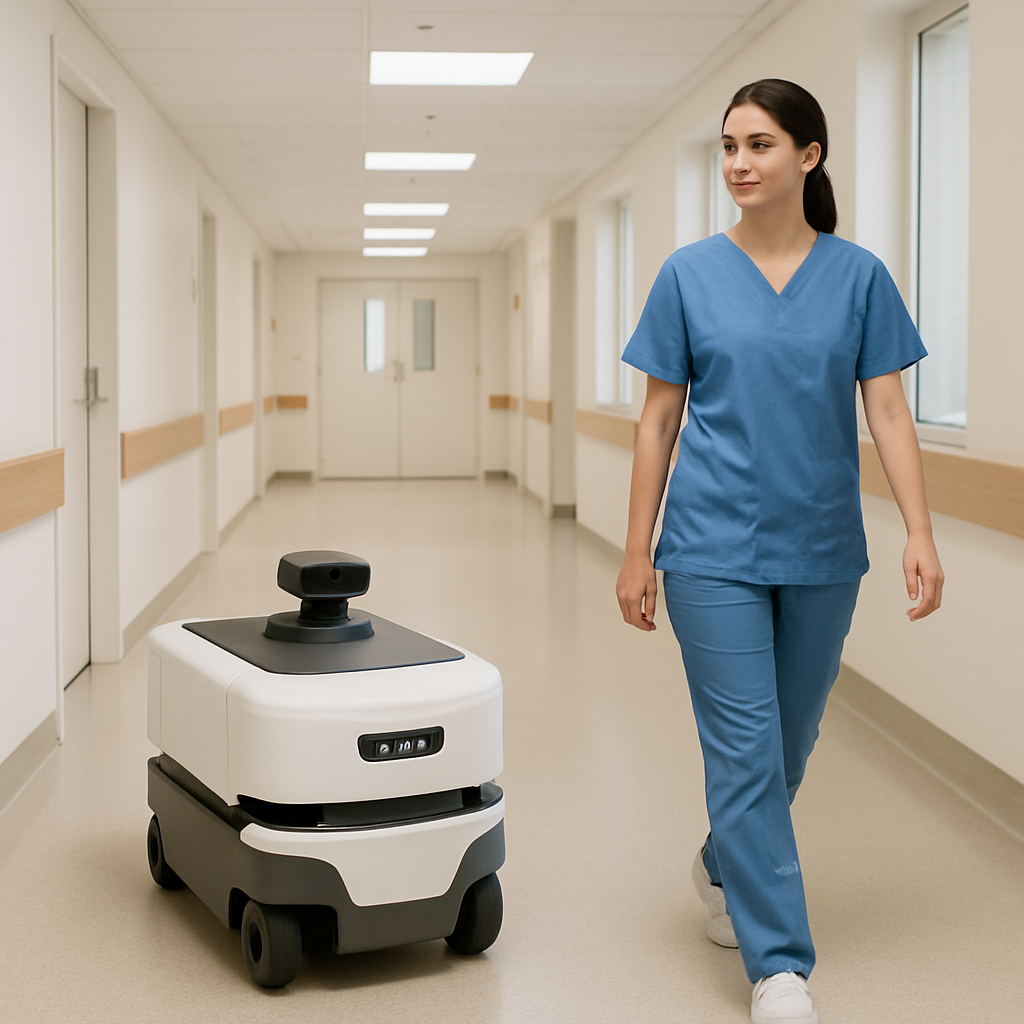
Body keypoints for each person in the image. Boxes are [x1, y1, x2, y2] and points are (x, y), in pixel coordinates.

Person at [615, 79, 944, 1024]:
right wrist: (638, 553)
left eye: (758, 145)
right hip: (709, 548)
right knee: (747, 749)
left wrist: (919, 531)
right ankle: (779, 967)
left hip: (823, 549)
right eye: (727, 147)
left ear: (808, 155)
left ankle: (725, 860)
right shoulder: (687, 274)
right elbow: (658, 420)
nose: (737, 164)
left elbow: (887, 407)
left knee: (789, 742)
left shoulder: (858, 277)